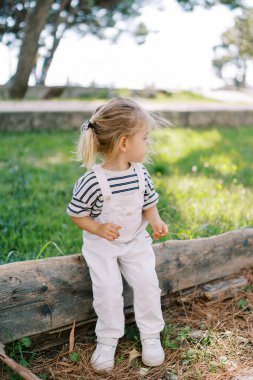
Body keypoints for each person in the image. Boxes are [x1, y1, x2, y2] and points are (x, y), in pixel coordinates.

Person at [67, 97, 168, 372]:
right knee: (108, 290)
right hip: (103, 246)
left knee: (148, 283)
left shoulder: (140, 173)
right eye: (145, 138)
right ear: (124, 143)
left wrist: (156, 221)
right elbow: (77, 213)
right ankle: (108, 338)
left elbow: (148, 203)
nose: (149, 144)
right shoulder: (92, 181)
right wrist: (98, 228)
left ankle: (150, 334)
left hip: (135, 241)